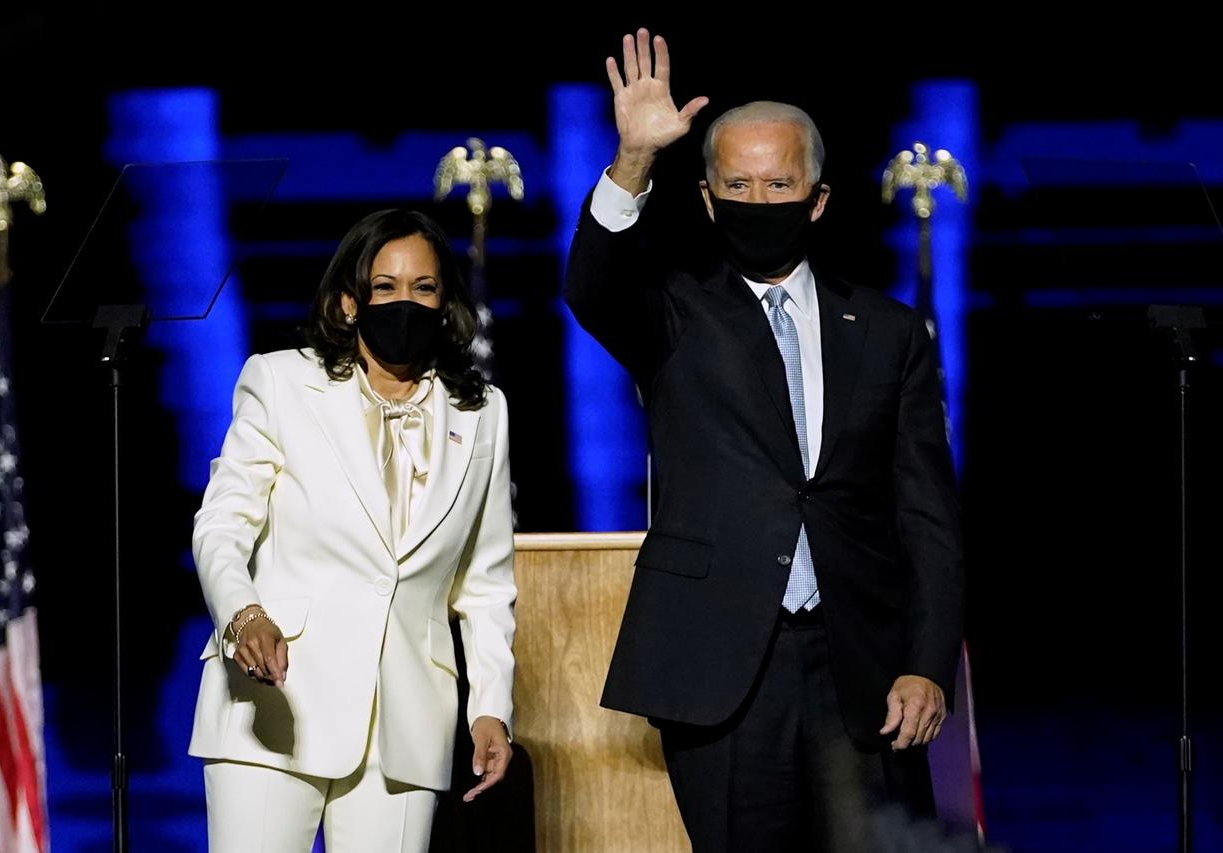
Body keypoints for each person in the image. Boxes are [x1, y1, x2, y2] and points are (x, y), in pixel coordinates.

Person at [564, 29, 965, 852]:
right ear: (707, 200)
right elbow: (593, 286)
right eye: (737, 184)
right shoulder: (675, 312)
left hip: (862, 669)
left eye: (779, 182)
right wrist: (634, 159)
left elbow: (927, 512)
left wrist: (928, 661)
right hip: (722, 668)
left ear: (818, 199)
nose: (759, 200)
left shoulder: (888, 332)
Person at [188, 209, 517, 852]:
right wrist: (242, 614)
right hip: (277, 703)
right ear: (349, 303)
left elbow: (485, 582)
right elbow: (222, 523)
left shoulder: (483, 412)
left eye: (423, 288)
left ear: (444, 301)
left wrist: (491, 707)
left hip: (406, 724)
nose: (406, 302)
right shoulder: (281, 381)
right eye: (386, 287)